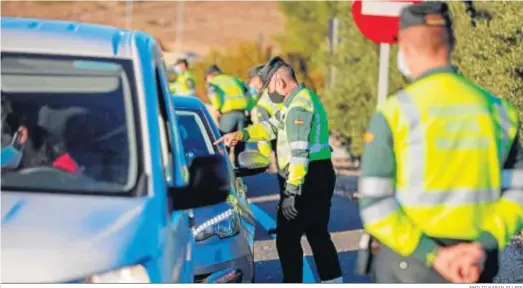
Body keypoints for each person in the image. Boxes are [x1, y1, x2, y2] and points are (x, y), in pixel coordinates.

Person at [358, 2, 523, 283]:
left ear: (405, 49)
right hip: (476, 266)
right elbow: (517, 193)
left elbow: (375, 204)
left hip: (409, 265)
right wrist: (481, 246)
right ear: (452, 43)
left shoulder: (394, 113)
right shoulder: (500, 112)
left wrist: (434, 255)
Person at [215, 57, 342, 283]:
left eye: (268, 86)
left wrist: (291, 193)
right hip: (318, 173)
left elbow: (299, 154)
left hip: (306, 176)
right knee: (317, 234)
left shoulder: (298, 108)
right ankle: (333, 282)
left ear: (279, 81)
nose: (268, 92)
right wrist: (240, 135)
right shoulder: (297, 100)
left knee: (287, 239)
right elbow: (271, 126)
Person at [1, 100, 80, 173]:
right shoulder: (6, 140)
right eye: (23, 113)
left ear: (37, 113)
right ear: (17, 115)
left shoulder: (50, 140)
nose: (26, 117)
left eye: (31, 112)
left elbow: (66, 165)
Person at [247, 64, 287, 198]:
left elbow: (264, 135)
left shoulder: (264, 103)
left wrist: (264, 160)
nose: (250, 85)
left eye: (251, 81)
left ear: (259, 80)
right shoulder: (285, 90)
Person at [205, 64, 248, 166]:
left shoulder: (213, 82)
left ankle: (226, 169)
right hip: (242, 114)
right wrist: (249, 108)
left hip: (228, 115)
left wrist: (217, 108)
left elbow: (213, 95)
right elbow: (248, 92)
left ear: (210, 75)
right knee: (240, 143)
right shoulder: (234, 79)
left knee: (225, 143)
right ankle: (239, 169)